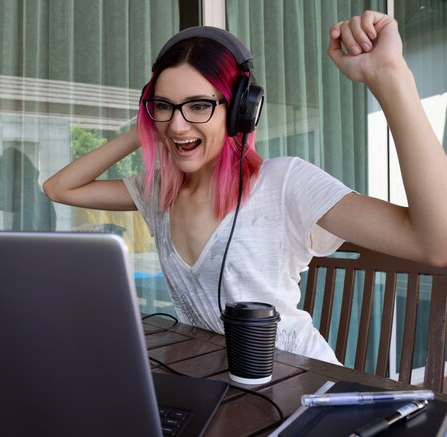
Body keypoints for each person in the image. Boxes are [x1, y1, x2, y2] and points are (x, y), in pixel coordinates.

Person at [43, 11, 447, 364]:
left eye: (199, 105)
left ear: (240, 111)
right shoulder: (158, 192)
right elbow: (60, 188)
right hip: (217, 382)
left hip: (302, 386)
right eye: (164, 106)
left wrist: (389, 75)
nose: (177, 125)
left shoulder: (285, 182)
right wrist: (147, 125)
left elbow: (437, 244)